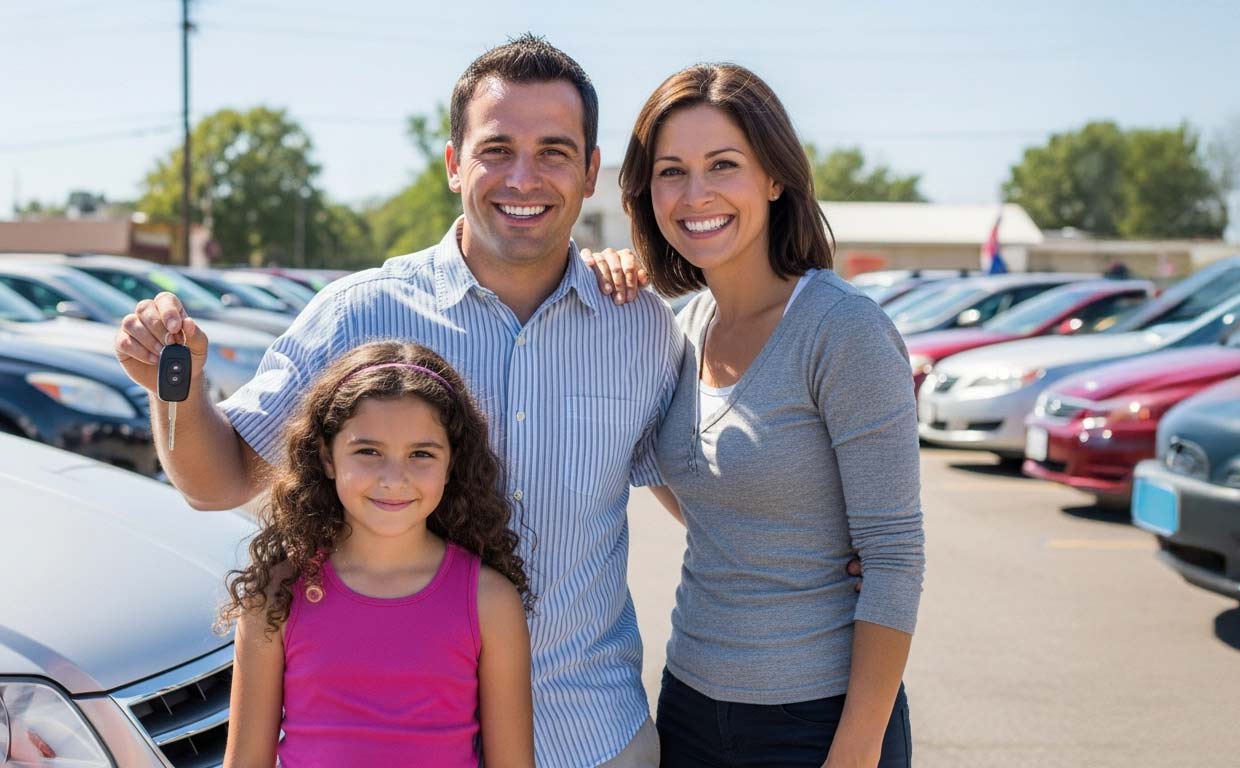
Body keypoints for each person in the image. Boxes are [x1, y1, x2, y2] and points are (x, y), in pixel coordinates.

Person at [114, 35, 677, 767]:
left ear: (591, 170)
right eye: (497, 149)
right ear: (453, 164)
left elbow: (701, 490)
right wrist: (177, 391)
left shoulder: (639, 325)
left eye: (554, 151)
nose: (524, 176)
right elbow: (216, 480)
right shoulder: (357, 315)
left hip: (594, 736)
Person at [616, 63, 926, 767]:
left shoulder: (841, 329)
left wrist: (855, 749)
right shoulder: (679, 329)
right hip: (690, 702)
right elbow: (655, 462)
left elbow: (894, 557)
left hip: (818, 719)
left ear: (775, 177)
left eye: (723, 164)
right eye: (671, 171)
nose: (695, 194)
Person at [220, 341, 533, 767]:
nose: (393, 478)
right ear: (327, 456)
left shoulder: (490, 602)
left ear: (451, 463)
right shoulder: (277, 595)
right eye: (368, 451)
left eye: (421, 454)